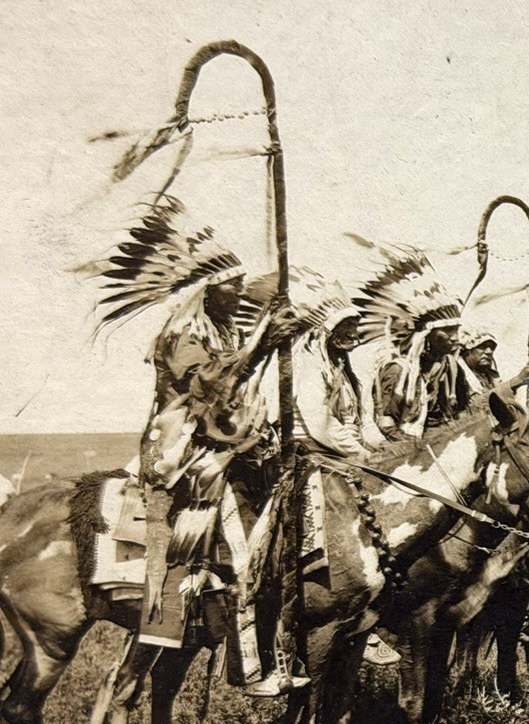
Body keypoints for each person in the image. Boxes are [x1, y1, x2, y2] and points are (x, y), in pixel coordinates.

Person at [93, 195, 287, 695]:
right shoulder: (185, 334)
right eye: (230, 286)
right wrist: (262, 344)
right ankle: (232, 654)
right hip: (183, 450)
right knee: (225, 542)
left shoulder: (220, 329)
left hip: (219, 441)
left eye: (240, 285)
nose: (238, 292)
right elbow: (206, 389)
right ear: (207, 290)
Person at [290, 274, 402, 667]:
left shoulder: (347, 370)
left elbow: (361, 422)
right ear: (327, 330)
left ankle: (367, 616)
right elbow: (320, 425)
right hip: (313, 454)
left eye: (355, 326)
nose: (352, 334)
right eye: (345, 326)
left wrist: (385, 452)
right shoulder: (310, 365)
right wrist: (362, 455)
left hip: (344, 453)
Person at [356, 247, 475, 439]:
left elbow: (462, 412)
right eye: (447, 331)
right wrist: (418, 448)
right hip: (408, 447)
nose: (455, 337)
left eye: (456, 330)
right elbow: (387, 426)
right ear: (425, 335)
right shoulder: (398, 372)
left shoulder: (450, 367)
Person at [461, 326, 501, 391]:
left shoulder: (492, 378)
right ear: (467, 351)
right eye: (483, 347)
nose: (489, 352)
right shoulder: (457, 377)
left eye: (492, 348)